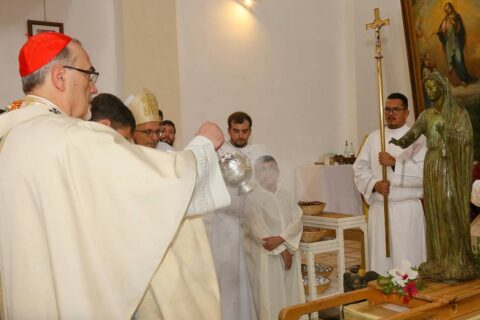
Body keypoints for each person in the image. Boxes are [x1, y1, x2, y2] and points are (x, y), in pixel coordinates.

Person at [0, 32, 230, 319]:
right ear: (60, 76)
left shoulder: (10, 137)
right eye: (89, 75)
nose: (93, 88)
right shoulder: (70, 139)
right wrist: (202, 146)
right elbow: (157, 188)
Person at [126, 89, 222, 320]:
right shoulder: (128, 158)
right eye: (148, 132)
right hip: (149, 263)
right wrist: (202, 145)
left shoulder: (165, 153)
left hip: (178, 258)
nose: (155, 138)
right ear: (131, 133)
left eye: (157, 131)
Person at [390, 72, 476, 281]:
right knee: (435, 211)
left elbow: (466, 139)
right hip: (433, 164)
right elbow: (413, 134)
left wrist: (449, 134)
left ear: (442, 88)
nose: (429, 91)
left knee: (449, 208)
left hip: (449, 165)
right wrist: (398, 142)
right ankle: (439, 259)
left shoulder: (457, 113)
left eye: (432, 87)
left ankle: (457, 259)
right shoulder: (426, 115)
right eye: (426, 87)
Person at [353, 92, 427, 275]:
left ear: (406, 112)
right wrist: (374, 184)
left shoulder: (418, 138)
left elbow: (424, 174)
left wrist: (395, 164)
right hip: (380, 209)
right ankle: (382, 300)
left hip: (406, 211)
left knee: (407, 261)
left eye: (396, 109)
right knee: (381, 264)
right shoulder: (373, 138)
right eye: (387, 109)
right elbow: (359, 169)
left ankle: (410, 298)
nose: (390, 113)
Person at [203, 111, 266, 320]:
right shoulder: (219, 152)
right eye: (236, 131)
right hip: (226, 225)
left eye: (244, 131)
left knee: (252, 275)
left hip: (253, 223)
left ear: (250, 131)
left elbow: (267, 182)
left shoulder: (260, 152)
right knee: (230, 276)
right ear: (229, 130)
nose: (240, 135)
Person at [244, 155, 305, 320]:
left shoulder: (286, 194)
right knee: (270, 297)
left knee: (292, 294)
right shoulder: (251, 198)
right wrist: (282, 249)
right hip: (266, 256)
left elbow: (297, 219)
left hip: (290, 251)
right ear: (256, 174)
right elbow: (257, 230)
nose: (268, 173)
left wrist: (283, 239)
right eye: (263, 170)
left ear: (277, 172)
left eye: (271, 169)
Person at [437, 2, 477, 87]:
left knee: (459, 59)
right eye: (446, 9)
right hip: (448, 43)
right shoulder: (446, 19)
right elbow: (442, 31)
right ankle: (458, 81)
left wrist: (453, 24)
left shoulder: (457, 17)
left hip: (456, 41)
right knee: (452, 61)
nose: (448, 10)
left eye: (448, 8)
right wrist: (442, 32)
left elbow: (461, 29)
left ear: (451, 7)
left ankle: (464, 78)